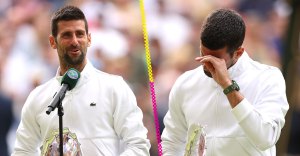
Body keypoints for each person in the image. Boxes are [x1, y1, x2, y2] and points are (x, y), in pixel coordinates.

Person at [12, 6, 150, 156]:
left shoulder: (114, 87)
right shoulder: (37, 97)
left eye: (79, 34)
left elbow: (138, 145)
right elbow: (23, 151)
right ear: (53, 42)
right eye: (66, 35)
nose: (75, 41)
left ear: (89, 39)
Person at [161, 8, 289, 155]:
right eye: (203, 53)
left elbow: (266, 138)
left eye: (216, 59)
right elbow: (172, 142)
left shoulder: (268, 78)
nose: (206, 64)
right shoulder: (185, 83)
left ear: (238, 53)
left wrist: (228, 86)